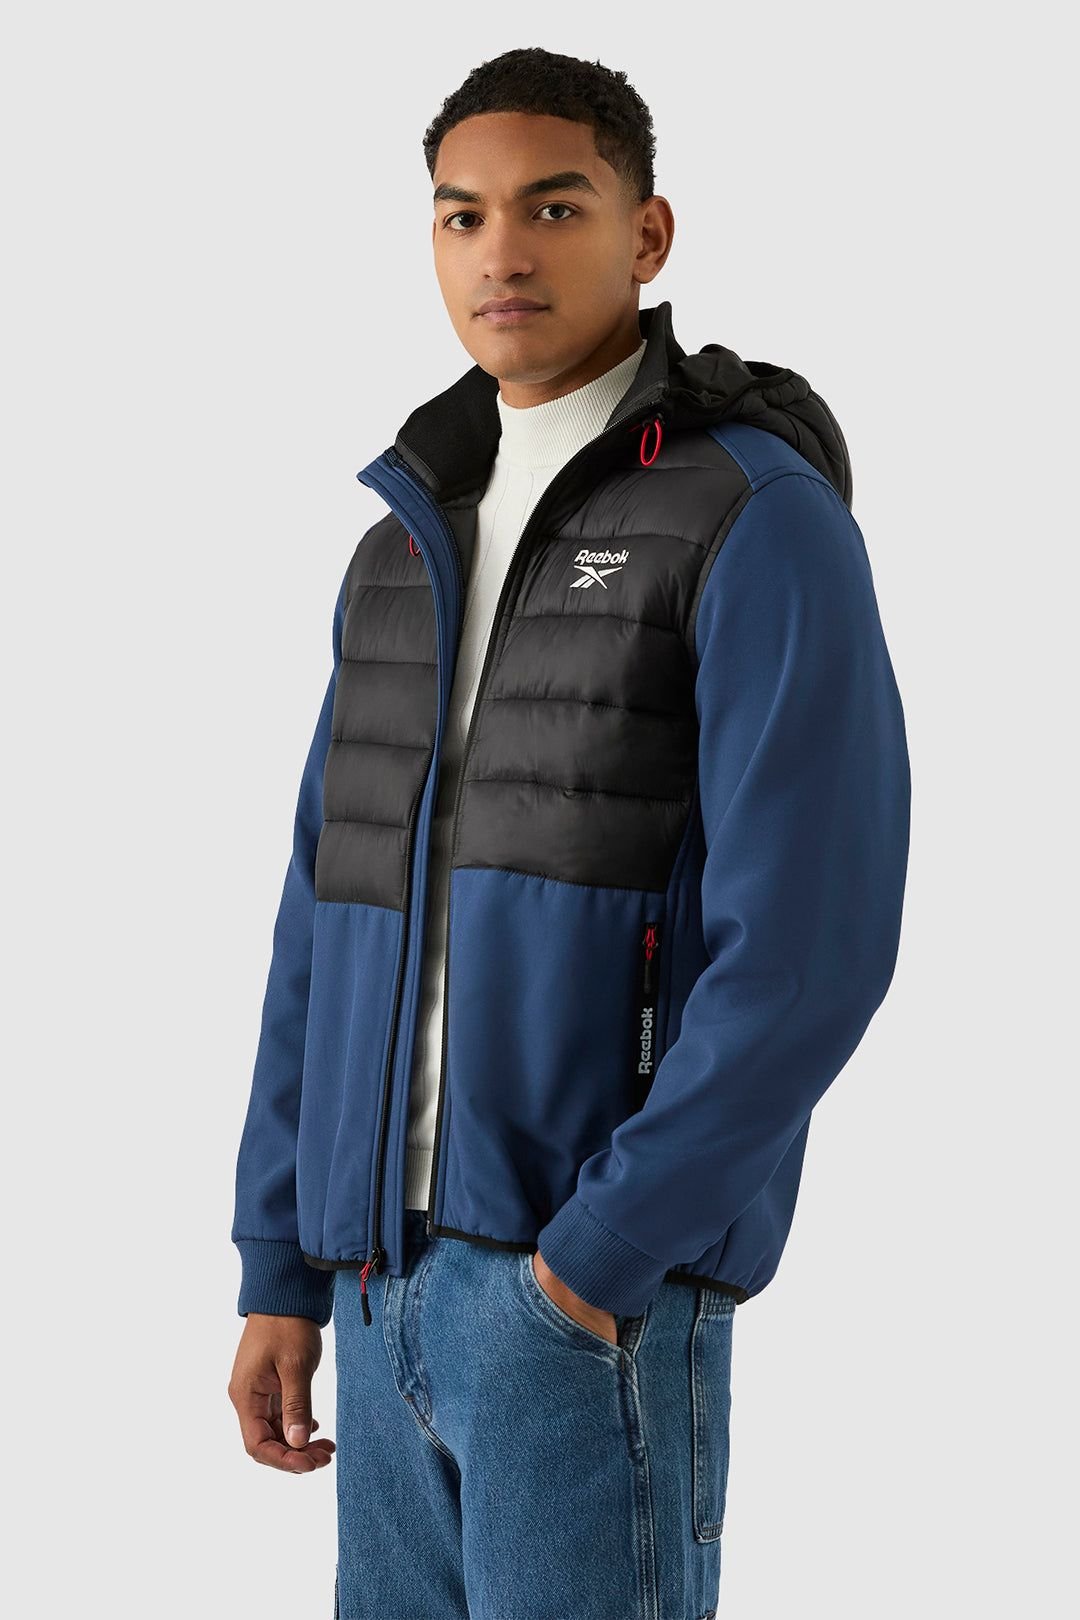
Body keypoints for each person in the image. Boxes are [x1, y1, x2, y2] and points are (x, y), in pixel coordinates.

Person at [227, 45, 910, 1620]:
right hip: (374, 1283)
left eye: (553, 206)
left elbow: (809, 951)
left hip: (578, 1293)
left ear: (646, 234)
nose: (503, 253)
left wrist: (597, 1257)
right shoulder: (401, 546)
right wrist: (283, 1262)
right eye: (461, 215)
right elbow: (322, 919)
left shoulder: (756, 517)